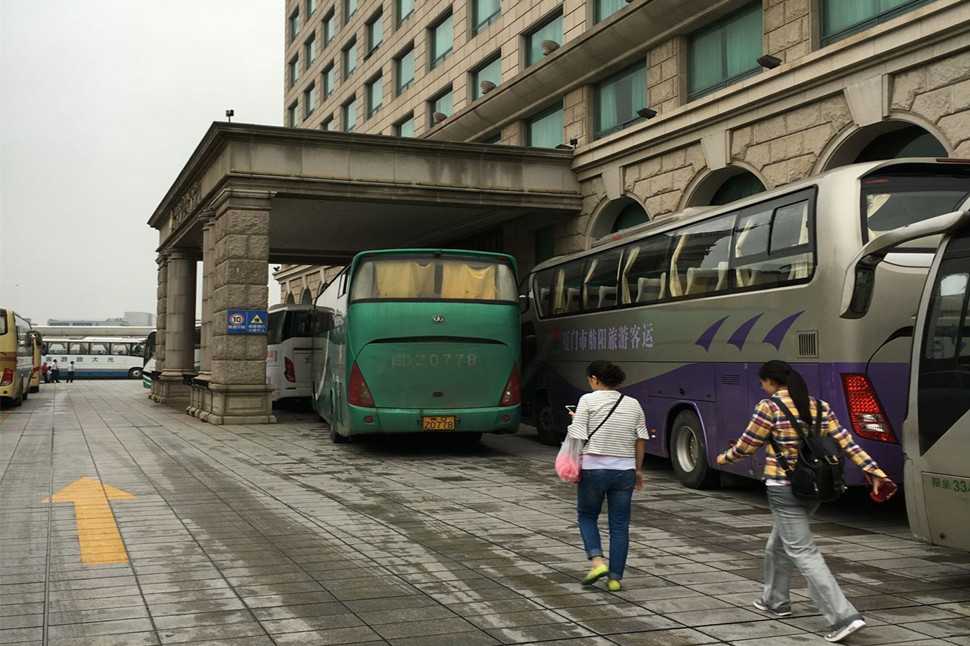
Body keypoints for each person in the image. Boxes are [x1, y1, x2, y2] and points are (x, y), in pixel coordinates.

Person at [716, 360, 896, 643]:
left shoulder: (769, 407)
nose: (762, 387)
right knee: (778, 544)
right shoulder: (820, 407)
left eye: (762, 382)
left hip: (783, 488)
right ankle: (775, 600)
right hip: (815, 488)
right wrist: (874, 471)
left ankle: (843, 616)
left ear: (770, 381)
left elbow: (747, 445)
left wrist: (724, 458)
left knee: (803, 551)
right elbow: (847, 443)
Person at [566, 360, 649, 592]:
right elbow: (640, 440)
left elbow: (579, 436)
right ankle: (615, 579)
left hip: (593, 470)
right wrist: (638, 470)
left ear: (594, 379)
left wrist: (575, 420)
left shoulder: (587, 400)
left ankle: (597, 562)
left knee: (586, 516)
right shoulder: (633, 404)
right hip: (624, 471)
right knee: (620, 525)